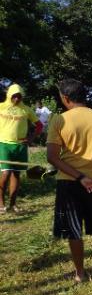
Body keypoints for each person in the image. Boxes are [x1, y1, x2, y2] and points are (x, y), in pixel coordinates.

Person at [46, 79, 92, 283]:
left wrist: (79, 177)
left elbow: (52, 157)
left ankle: (80, 273)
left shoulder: (59, 120)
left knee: (73, 230)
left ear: (65, 98)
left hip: (69, 182)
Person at [0, 84, 43, 213]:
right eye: (14, 96)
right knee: (6, 173)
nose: (17, 99)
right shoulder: (1, 107)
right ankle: (1, 204)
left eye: (19, 96)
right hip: (4, 144)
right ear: (9, 95)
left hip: (20, 146)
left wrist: (30, 139)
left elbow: (39, 125)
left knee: (16, 174)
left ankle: (13, 204)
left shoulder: (26, 110)